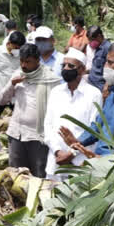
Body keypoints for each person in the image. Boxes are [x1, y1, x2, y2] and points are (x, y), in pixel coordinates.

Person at [61, 41, 114, 158]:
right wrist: (78, 141)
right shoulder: (113, 92)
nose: (105, 67)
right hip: (101, 164)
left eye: (110, 63)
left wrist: (102, 160)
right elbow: (99, 126)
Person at [0, 43, 62, 178]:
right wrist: (12, 84)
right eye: (21, 61)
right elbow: (1, 100)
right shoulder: (17, 75)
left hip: (38, 137)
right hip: (17, 134)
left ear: (37, 61)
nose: (24, 65)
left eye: (28, 62)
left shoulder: (50, 79)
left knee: (38, 175)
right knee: (16, 176)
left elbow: (57, 110)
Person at [43, 48, 101, 180]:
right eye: (64, 65)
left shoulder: (93, 94)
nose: (66, 69)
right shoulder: (56, 92)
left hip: (80, 162)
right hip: (55, 160)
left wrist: (71, 153)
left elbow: (93, 130)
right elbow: (48, 125)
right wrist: (58, 151)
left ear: (81, 69)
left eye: (71, 66)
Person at [0, 31, 26, 118]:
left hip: (14, 97)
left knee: (19, 121)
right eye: (16, 47)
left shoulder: (22, 55)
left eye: (20, 48)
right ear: (8, 43)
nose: (17, 50)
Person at [86, 25, 111, 91]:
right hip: (91, 83)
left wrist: (106, 88)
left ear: (99, 36)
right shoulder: (98, 47)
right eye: (89, 40)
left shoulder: (107, 48)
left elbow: (110, 72)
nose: (90, 43)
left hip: (99, 86)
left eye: (92, 40)